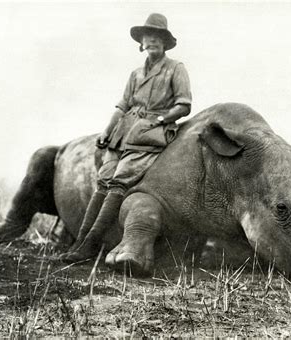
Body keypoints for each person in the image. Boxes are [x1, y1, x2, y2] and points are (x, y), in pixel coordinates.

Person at [60, 13, 192, 263]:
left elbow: (184, 105)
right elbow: (122, 106)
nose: (151, 41)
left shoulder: (176, 69)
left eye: (157, 37)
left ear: (165, 42)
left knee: (119, 183)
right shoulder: (135, 74)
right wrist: (107, 131)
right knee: (103, 182)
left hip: (151, 133)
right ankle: (79, 243)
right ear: (141, 42)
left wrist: (161, 120)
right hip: (124, 131)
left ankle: (90, 246)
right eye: (147, 36)